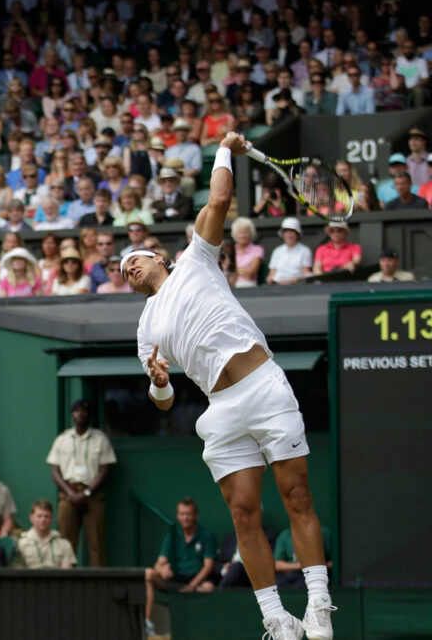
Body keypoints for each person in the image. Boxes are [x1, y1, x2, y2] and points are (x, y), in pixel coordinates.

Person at [125, 132, 334, 640]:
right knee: (244, 514)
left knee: (297, 495)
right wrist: (157, 385)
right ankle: (276, 619)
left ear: (158, 256)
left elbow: (219, 197)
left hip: (263, 387)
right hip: (220, 411)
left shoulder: (197, 258)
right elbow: (166, 401)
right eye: (121, 269)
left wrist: (224, 148)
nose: (127, 267)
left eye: (134, 258)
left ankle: (319, 604)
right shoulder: (146, 329)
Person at [46, 399, 116, 566]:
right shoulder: (62, 439)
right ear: (72, 414)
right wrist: (70, 494)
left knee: (96, 542)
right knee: (66, 542)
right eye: (77, 412)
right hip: (68, 493)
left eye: (84, 412)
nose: (80, 415)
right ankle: (66, 581)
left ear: (89, 415)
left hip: (93, 494)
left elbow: (104, 470)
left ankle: (99, 583)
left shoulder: (100, 439)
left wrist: (86, 493)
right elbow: (54, 471)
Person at [144, 498, 219, 627]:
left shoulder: (206, 535)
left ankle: (204, 626)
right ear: (178, 516)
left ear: (196, 515)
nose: (186, 518)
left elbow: (208, 566)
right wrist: (162, 569)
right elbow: (159, 563)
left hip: (199, 581)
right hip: (176, 580)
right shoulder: (172, 535)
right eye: (182, 514)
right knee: (149, 573)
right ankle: (148, 623)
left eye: (188, 514)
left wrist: (192, 586)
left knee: (209, 588)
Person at [15, 500, 76, 569]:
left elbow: (67, 574)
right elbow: (19, 573)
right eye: (39, 516)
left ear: (52, 518)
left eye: (46, 516)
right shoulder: (21, 543)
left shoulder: (63, 544)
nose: (43, 520)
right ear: (31, 517)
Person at [266, 218, 313, 285]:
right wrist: (271, 281)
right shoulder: (277, 251)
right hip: (276, 287)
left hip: (296, 287)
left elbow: (305, 273)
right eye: (286, 232)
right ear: (283, 234)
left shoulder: (305, 251)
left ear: (297, 234)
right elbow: (271, 274)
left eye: (292, 232)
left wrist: (291, 281)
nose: (289, 235)